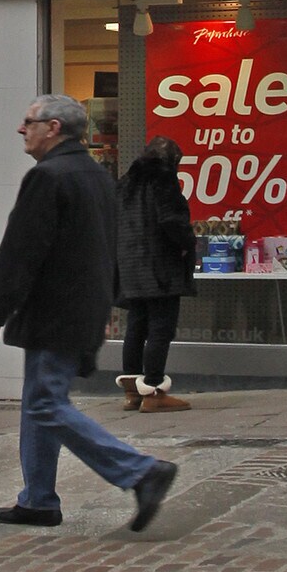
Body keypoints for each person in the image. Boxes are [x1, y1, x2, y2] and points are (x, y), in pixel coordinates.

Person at [0, 94, 177, 533]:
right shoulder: (95, 174)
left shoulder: (48, 177)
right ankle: (38, 500)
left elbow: (20, 251)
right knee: (38, 403)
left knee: (45, 404)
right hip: (81, 308)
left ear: (53, 128)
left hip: (55, 311)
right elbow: (108, 247)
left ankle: (141, 472)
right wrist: (105, 303)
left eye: (29, 121)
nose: (21, 129)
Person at [113, 135, 195, 414]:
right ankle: (154, 389)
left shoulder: (125, 184)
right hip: (160, 268)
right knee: (161, 328)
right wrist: (187, 243)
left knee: (136, 326)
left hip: (131, 266)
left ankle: (132, 392)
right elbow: (171, 220)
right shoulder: (163, 180)